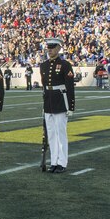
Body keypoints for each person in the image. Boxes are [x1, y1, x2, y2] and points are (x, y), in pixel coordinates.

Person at [40, 38, 75, 173]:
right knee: (51, 134)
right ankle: (54, 161)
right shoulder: (44, 65)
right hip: (48, 101)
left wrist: (71, 106)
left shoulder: (65, 65)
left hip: (61, 101)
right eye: (48, 47)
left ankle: (62, 162)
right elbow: (44, 87)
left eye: (52, 47)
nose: (49, 50)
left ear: (59, 48)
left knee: (61, 133)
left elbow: (70, 87)